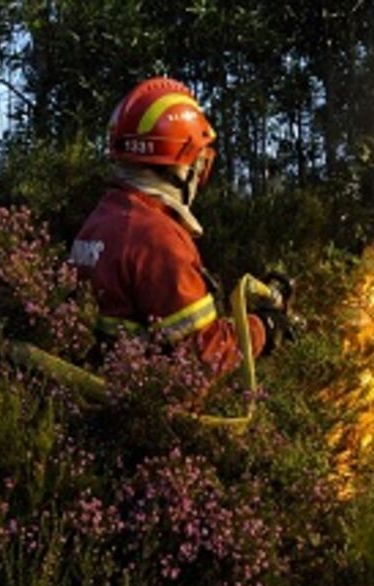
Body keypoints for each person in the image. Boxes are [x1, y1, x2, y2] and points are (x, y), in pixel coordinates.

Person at [70, 77, 271, 377]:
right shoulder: (158, 239)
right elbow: (204, 356)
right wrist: (262, 329)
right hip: (144, 414)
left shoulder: (101, 220)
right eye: (199, 162)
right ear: (181, 165)